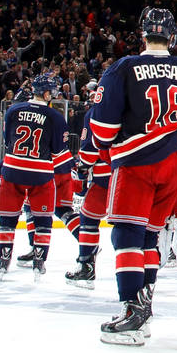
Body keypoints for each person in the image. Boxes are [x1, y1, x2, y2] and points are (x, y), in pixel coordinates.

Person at [91, 8, 177, 346]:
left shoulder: (124, 67)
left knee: (126, 236)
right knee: (150, 237)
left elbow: (101, 130)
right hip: (172, 165)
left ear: (143, 34)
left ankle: (133, 313)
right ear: (172, 36)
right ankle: (143, 306)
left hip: (135, 163)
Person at [0, 73, 70, 282]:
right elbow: (58, 150)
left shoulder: (13, 110)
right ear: (47, 93)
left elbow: (7, 140)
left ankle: (3, 261)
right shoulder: (55, 117)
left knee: (8, 218)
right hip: (40, 173)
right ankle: (39, 261)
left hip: (12, 169)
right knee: (43, 218)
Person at [65, 90, 113, 290]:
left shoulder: (95, 112)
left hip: (105, 176)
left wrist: (83, 168)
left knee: (88, 218)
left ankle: (86, 266)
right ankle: (145, 269)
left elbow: (89, 151)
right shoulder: (135, 106)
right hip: (134, 172)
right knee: (135, 225)